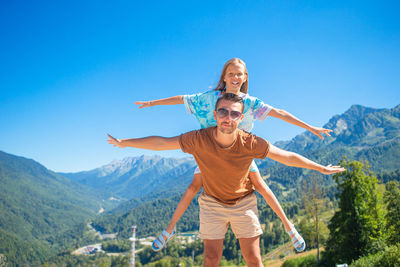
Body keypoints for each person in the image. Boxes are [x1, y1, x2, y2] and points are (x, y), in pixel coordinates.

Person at [108, 93, 345, 267]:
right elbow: (162, 142)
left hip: (244, 203)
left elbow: (287, 157)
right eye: (223, 112)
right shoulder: (198, 139)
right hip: (212, 203)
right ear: (215, 114)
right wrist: (124, 143)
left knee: (253, 258)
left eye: (234, 114)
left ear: (240, 118)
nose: (228, 118)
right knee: (211, 259)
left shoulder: (250, 142)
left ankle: (289, 227)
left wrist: (319, 167)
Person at [134, 58, 332, 252]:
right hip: (209, 154)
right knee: (193, 187)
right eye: (231, 73)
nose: (235, 77)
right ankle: (170, 229)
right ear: (225, 77)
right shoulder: (209, 97)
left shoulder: (251, 103)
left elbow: (280, 113)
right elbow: (182, 99)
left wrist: (310, 127)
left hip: (240, 155)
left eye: (239, 74)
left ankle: (289, 227)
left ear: (245, 77)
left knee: (261, 185)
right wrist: (152, 103)